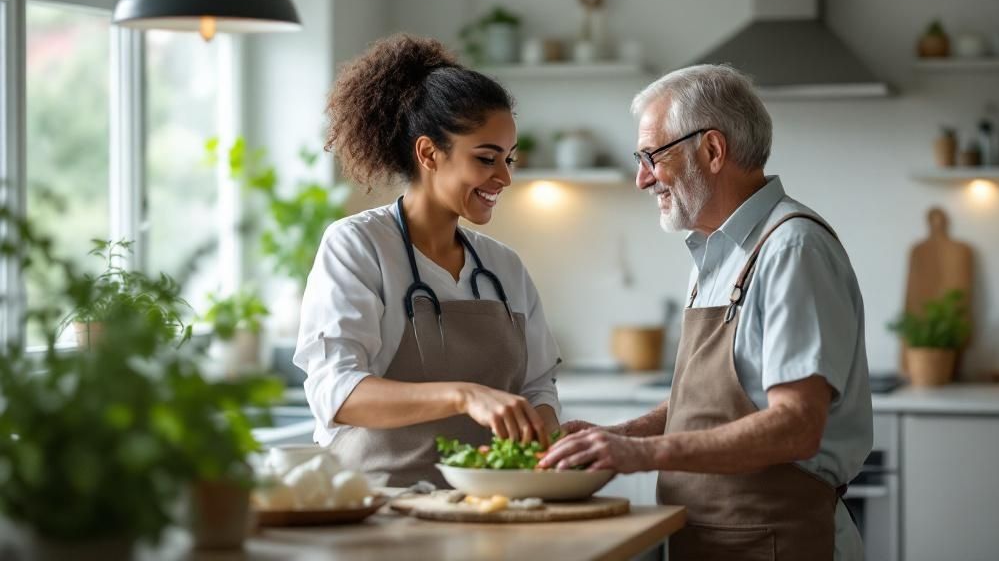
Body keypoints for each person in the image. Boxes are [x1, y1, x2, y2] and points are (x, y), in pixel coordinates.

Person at [539, 64, 873, 561]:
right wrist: (617, 434)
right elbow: (710, 407)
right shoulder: (715, 255)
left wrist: (640, 454)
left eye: (652, 155)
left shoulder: (791, 249)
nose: (642, 178)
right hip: (712, 541)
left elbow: (797, 426)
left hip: (778, 543)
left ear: (712, 151)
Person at [294, 34, 562, 488]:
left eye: (509, 159)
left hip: (490, 508)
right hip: (380, 510)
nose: (505, 177)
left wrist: (547, 444)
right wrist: (464, 396)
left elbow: (539, 387)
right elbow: (335, 393)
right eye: (486, 158)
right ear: (428, 153)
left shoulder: (504, 267)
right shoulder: (358, 246)